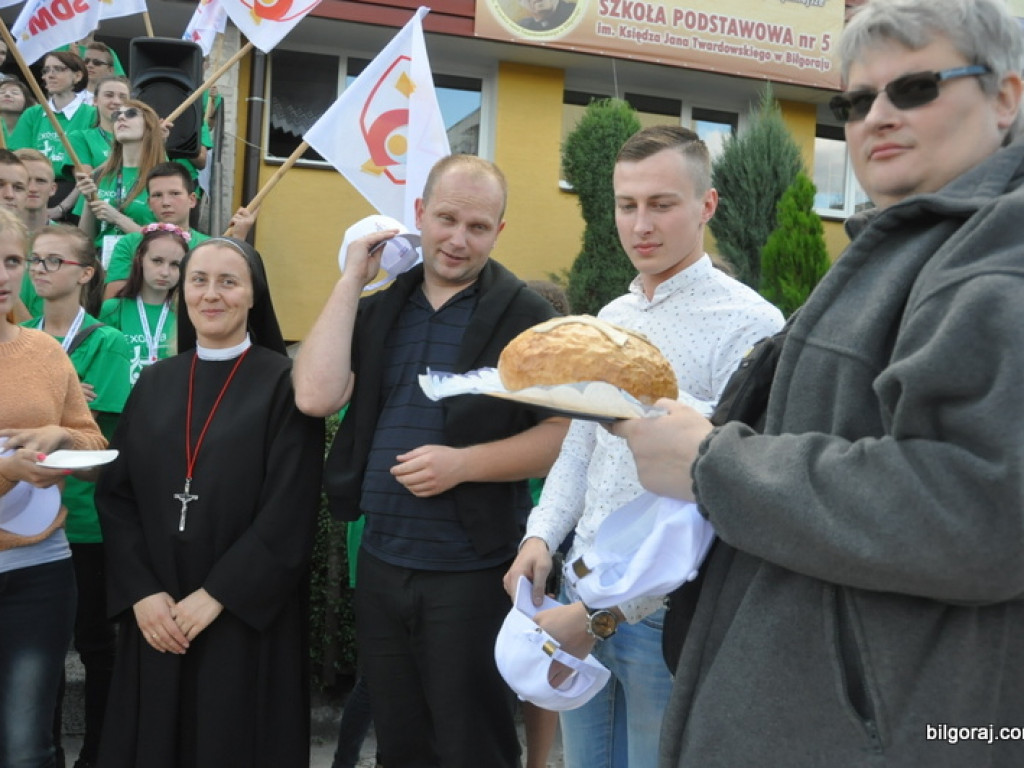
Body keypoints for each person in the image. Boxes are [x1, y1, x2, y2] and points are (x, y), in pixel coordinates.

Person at [610, 1, 1024, 766]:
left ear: (1005, 97)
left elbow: (986, 511)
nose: (878, 116)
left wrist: (711, 464)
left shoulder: (997, 255)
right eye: (856, 101)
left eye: (916, 88)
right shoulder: (918, 240)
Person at [504, 126, 784, 768]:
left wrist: (602, 616)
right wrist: (540, 536)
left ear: (706, 205)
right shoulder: (611, 319)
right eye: (627, 205)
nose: (641, 225)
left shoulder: (752, 325)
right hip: (578, 587)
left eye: (661, 204)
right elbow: (580, 448)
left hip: (666, 616)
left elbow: (721, 502)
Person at [294, 154, 570, 768]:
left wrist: (464, 464)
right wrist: (351, 280)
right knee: (399, 743)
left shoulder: (528, 318)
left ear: (499, 231)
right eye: (446, 219)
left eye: (478, 227)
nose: (457, 239)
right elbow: (314, 396)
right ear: (418, 214)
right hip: (383, 560)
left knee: (473, 744)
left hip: (473, 568)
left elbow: (562, 436)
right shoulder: (380, 308)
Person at [95, 237, 325, 767]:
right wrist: (141, 592)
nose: (211, 294)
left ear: (253, 295)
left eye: (228, 282)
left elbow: (291, 507)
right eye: (198, 280)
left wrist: (219, 594)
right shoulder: (155, 381)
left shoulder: (284, 384)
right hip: (158, 612)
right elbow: (117, 495)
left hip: (242, 616)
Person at [0, 207, 107, 768]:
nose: (3, 275)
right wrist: (7, 471)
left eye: (12, 261)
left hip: (41, 572)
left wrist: (60, 437)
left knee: (27, 748)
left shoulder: (44, 352)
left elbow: (92, 447)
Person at [24, 224, 131, 768]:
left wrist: (51, 413)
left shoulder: (109, 342)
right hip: (24, 521)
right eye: (35, 260)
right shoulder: (18, 339)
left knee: (95, 645)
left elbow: (100, 438)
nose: (39, 270)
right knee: (34, 652)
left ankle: (97, 753)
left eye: (53, 261)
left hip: (84, 522)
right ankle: (43, 753)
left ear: (86, 273)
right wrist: (61, 404)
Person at [103, 162, 256, 298]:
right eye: (157, 195)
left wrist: (238, 239)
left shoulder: (209, 247)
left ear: (192, 200)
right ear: (149, 204)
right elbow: (113, 303)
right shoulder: (129, 244)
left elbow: (229, 294)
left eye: (175, 193)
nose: (166, 202)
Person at [73, 100, 163, 259]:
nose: (121, 118)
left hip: (140, 263)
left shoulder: (163, 177)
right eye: (116, 115)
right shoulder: (100, 175)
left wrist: (117, 218)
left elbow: (167, 241)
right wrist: (89, 203)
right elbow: (85, 240)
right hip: (102, 264)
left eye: (131, 114)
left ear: (149, 125)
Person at [9, 51, 97, 213]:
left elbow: (91, 170)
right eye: (46, 70)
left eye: (58, 69)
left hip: (74, 191)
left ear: (77, 76)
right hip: (31, 188)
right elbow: (17, 157)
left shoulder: (92, 114)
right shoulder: (32, 114)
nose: (50, 75)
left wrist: (63, 207)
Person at [99, 222, 187, 382]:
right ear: (140, 258)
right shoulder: (112, 309)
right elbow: (98, 366)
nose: (165, 272)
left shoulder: (187, 313)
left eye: (175, 264)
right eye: (157, 261)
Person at [0, 77, 35, 145]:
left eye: (15, 93)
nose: (7, 94)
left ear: (26, 100)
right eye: (1, 92)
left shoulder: (35, 126)